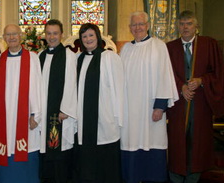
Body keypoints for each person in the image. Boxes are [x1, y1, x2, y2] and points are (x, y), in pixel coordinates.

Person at [120, 11, 179, 183]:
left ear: (147, 25)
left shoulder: (158, 46)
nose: (137, 28)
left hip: (151, 110)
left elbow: (164, 75)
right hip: (130, 111)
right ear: (130, 28)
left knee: (153, 142)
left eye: (141, 24)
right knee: (130, 141)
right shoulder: (125, 49)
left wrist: (160, 106)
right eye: (134, 25)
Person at [166, 10, 224, 183]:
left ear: (196, 26)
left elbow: (218, 73)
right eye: (182, 24)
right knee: (177, 143)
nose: (185, 27)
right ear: (177, 26)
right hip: (178, 104)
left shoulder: (209, 45)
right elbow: (165, 74)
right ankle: (175, 177)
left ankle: (193, 177)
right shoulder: (170, 48)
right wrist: (181, 86)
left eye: (189, 23)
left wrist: (201, 80)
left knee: (197, 143)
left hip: (200, 103)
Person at [0, 24, 42, 183]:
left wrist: (36, 114)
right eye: (8, 35)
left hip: (25, 116)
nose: (11, 37)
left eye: (14, 34)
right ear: (4, 38)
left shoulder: (32, 57)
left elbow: (37, 86)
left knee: (27, 148)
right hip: (4, 115)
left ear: (21, 36)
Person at [73, 23, 124, 183]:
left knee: (106, 167)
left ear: (98, 37)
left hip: (105, 119)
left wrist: (118, 118)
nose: (88, 39)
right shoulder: (78, 59)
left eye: (91, 35)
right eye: (84, 36)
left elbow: (119, 89)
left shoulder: (110, 58)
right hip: (84, 120)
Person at [38, 19, 77, 183]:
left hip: (60, 114)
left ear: (62, 34)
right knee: (45, 153)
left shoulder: (69, 56)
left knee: (60, 154)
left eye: (55, 33)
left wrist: (66, 109)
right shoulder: (40, 55)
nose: (52, 37)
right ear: (44, 35)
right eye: (49, 33)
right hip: (43, 113)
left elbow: (72, 83)